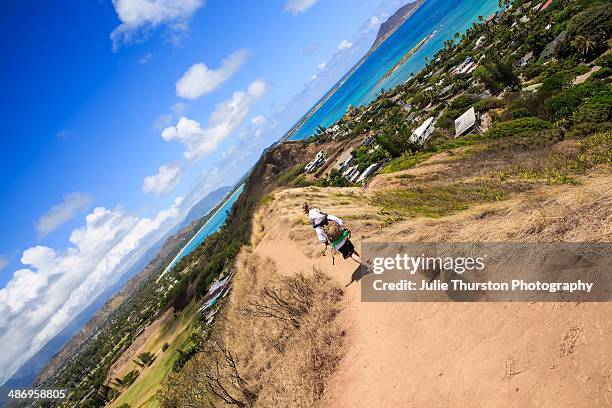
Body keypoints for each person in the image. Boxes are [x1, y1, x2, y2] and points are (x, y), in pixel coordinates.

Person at [303, 203, 367, 267]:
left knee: (351, 254)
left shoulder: (318, 227)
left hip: (338, 244)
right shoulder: (328, 217)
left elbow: (322, 239)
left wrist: (327, 242)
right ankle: (362, 263)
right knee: (352, 250)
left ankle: (367, 266)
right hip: (343, 236)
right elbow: (340, 222)